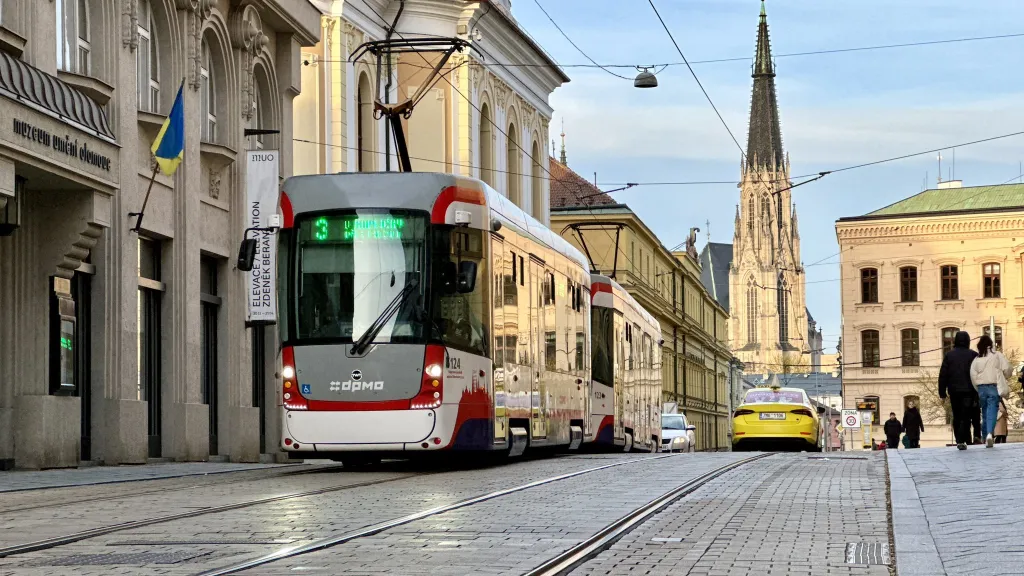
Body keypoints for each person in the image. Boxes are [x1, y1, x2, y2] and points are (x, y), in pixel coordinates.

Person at [969, 334, 1013, 448]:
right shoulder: (997, 355)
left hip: (981, 388)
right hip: (993, 387)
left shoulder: (976, 359)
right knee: (992, 412)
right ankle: (989, 434)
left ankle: (984, 437)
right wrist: (1005, 376)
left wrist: (977, 388)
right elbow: (1007, 368)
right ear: (990, 345)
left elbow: (973, 376)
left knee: (984, 412)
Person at [938, 330, 978, 450]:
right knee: (966, 416)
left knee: (957, 415)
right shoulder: (973, 355)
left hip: (954, 391)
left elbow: (943, 375)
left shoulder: (949, 355)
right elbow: (977, 374)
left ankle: (959, 440)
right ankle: (966, 439)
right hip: (969, 391)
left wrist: (942, 393)